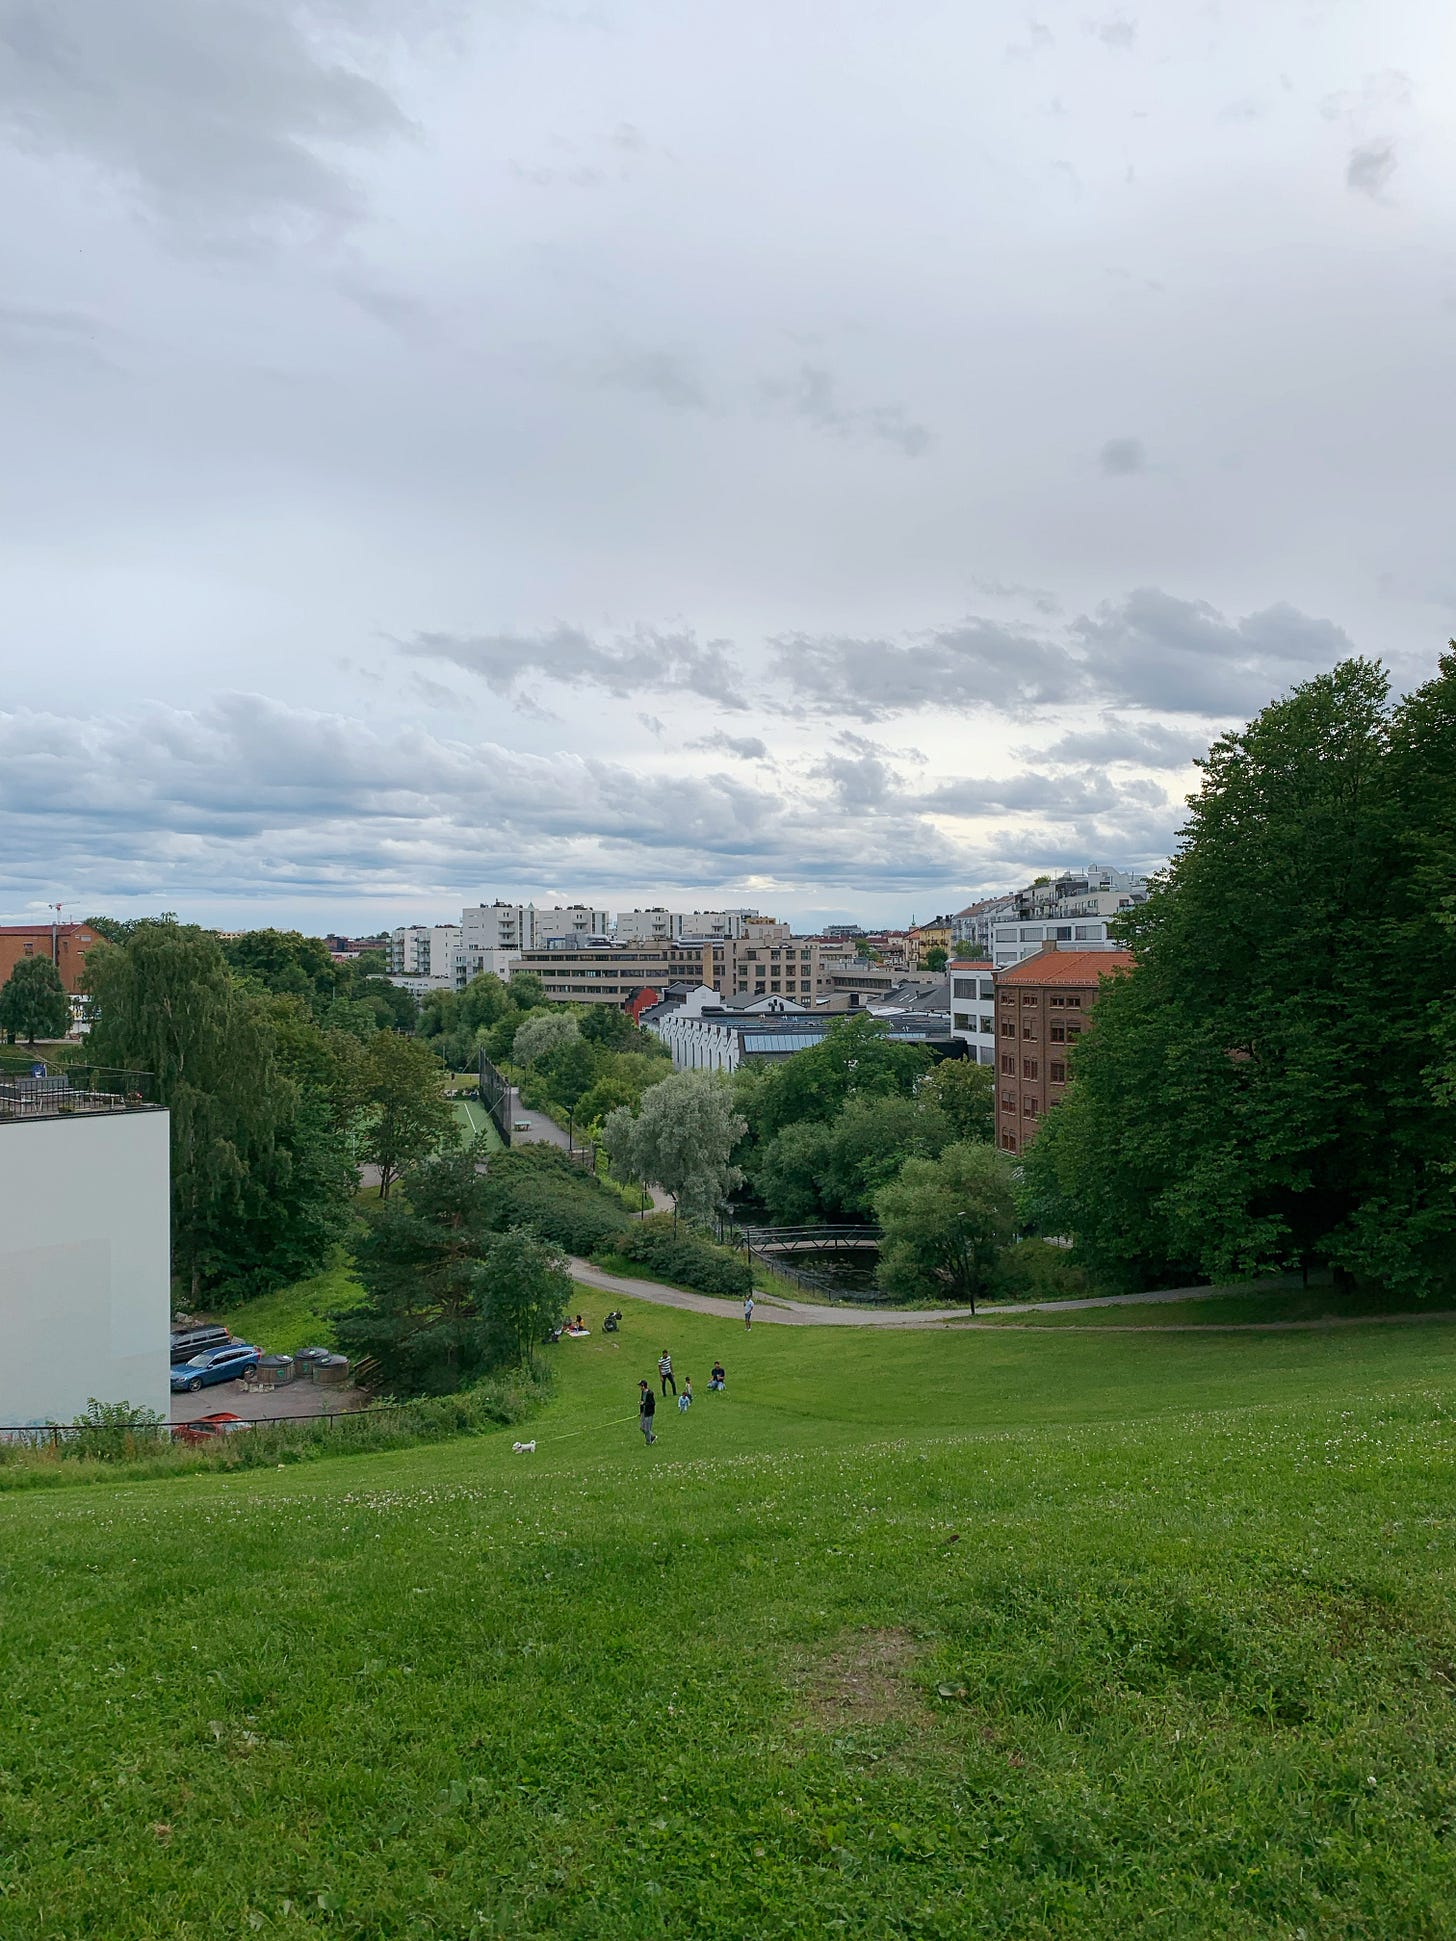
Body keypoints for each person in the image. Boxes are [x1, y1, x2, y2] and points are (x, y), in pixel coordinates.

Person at [638, 1379, 656, 1445]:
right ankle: (652, 1436)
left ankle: (648, 1442)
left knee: (647, 1429)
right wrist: (640, 1412)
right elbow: (642, 1402)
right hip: (644, 1412)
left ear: (643, 1386)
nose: (640, 1387)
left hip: (649, 1413)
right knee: (642, 1428)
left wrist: (644, 1403)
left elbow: (652, 1403)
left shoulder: (650, 1393)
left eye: (640, 1386)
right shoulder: (643, 1392)